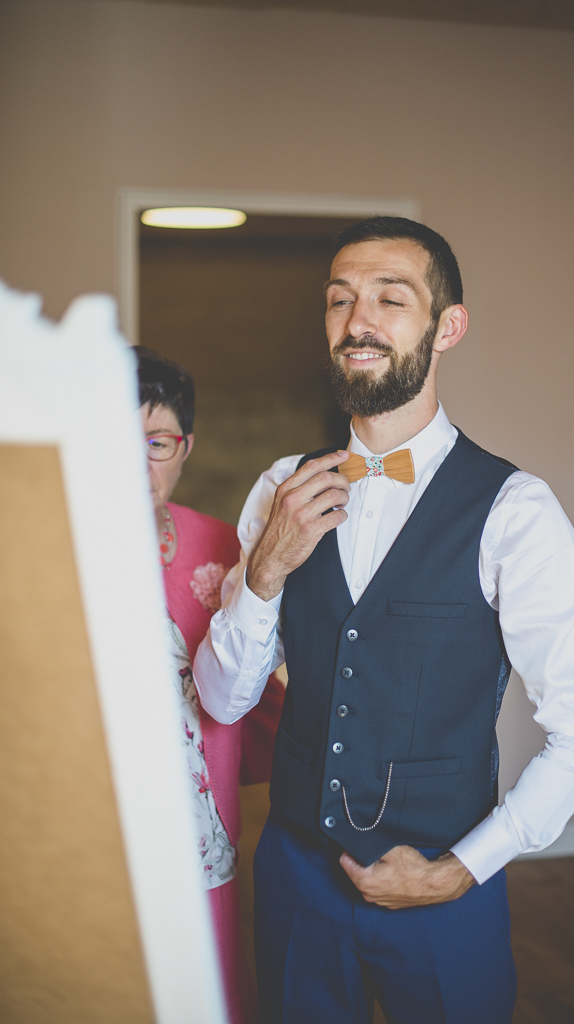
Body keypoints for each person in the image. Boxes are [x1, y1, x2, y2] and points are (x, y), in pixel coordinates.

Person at [193, 218, 574, 1024]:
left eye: (392, 299)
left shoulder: (516, 512)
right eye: (340, 300)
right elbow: (221, 702)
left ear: (446, 326)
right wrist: (265, 569)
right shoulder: (281, 487)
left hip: (442, 885)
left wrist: (464, 868)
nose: (359, 321)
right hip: (293, 875)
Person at [136, 346, 284, 1024]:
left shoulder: (227, 550)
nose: (134, 462)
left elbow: (260, 696)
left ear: (185, 445)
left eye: (156, 442)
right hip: (95, 823)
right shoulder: (37, 551)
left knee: (209, 984)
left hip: (202, 822)